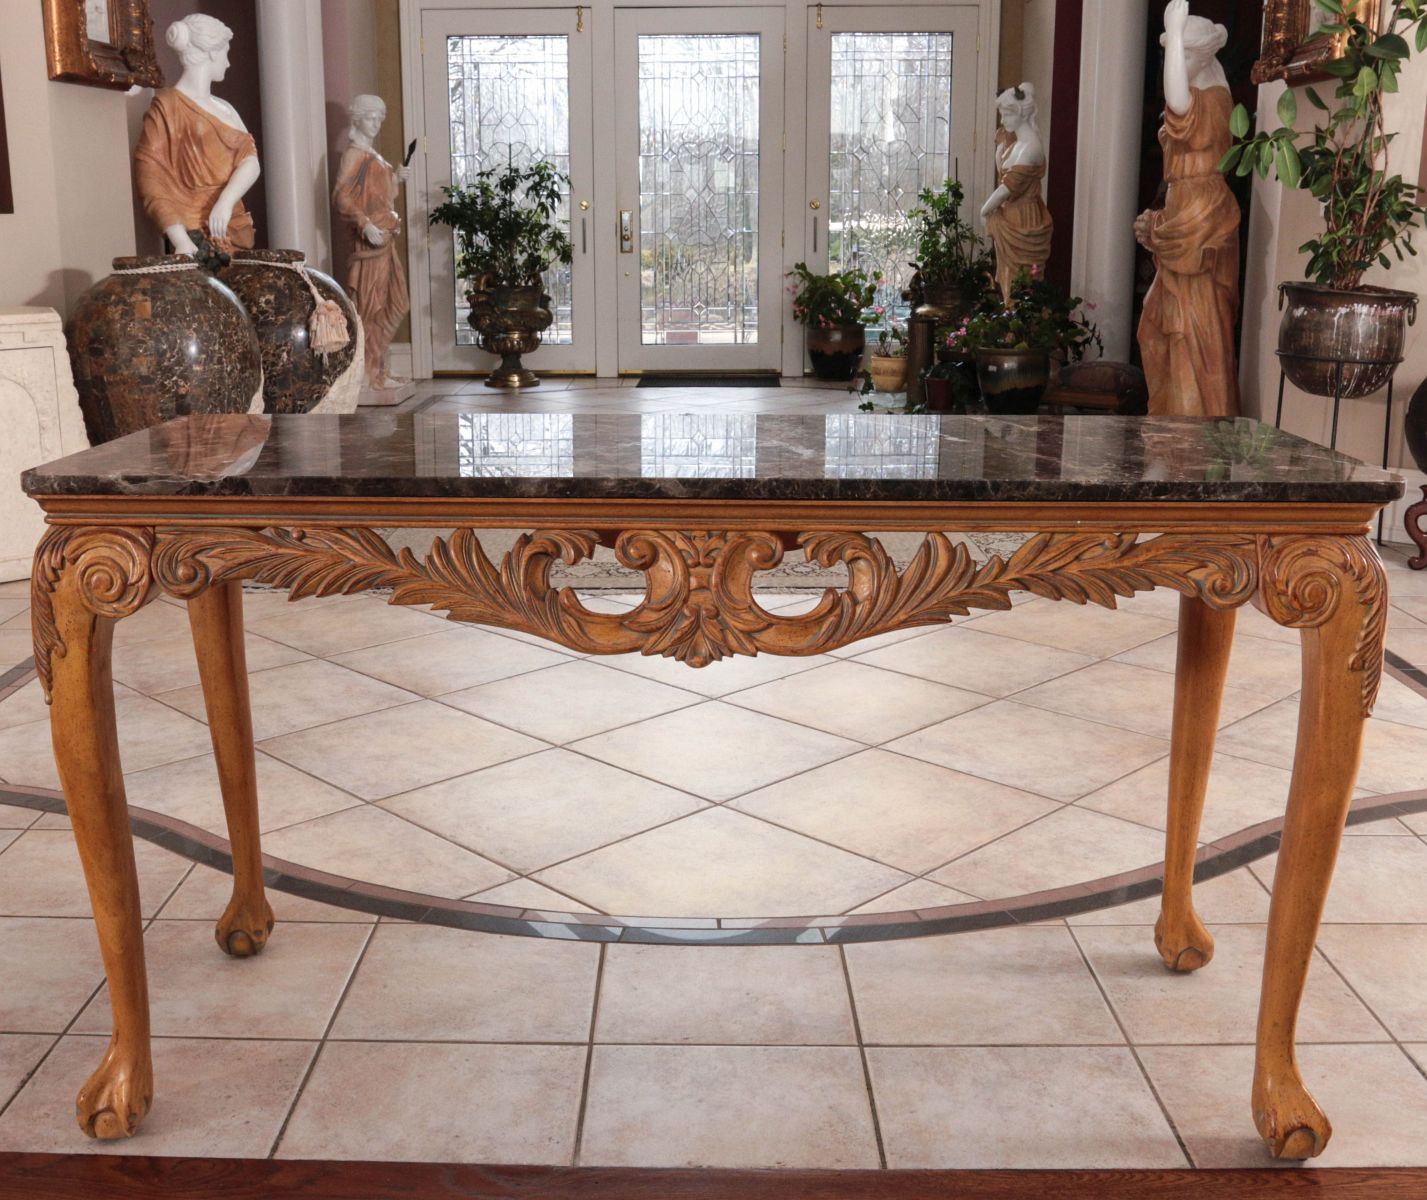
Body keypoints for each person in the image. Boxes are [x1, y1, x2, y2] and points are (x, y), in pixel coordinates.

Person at [1135, 0, 1241, 417]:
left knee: (1196, 329)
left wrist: (1175, 32)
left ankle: (1195, 425)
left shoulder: (1212, 102)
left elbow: (1176, 102)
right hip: (1186, 208)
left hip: (1202, 214)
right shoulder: (1204, 93)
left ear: (1199, 56)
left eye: (1177, 55)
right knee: (1161, 327)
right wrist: (1157, 220)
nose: (1172, 63)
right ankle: (1175, 423)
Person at [134, 14, 260, 268]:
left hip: (232, 229)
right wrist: (180, 239)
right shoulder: (167, 107)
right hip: (192, 236)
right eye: (225, 53)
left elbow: (251, 162)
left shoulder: (225, 108)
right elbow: (151, 179)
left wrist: (225, 203)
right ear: (211, 53)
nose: (227, 63)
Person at [332, 95, 411, 390]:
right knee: (371, 308)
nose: (376, 123)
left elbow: (379, 196)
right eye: (370, 117)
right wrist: (364, 225)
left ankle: (377, 369)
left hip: (384, 240)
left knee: (395, 302)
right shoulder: (354, 155)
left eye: (380, 118)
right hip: (370, 243)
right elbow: (342, 196)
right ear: (357, 119)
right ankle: (368, 374)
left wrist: (395, 179)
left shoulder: (372, 156)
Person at [981, 83, 1053, 303]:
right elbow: (1002, 173)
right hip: (1011, 216)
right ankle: (1011, 328)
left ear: (1020, 113)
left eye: (1005, 115)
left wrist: (984, 210)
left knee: (1021, 285)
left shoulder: (1031, 148)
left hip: (1024, 220)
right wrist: (1002, 145)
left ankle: (1020, 332)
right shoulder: (1016, 143)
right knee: (1008, 283)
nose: (1002, 121)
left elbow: (1006, 189)